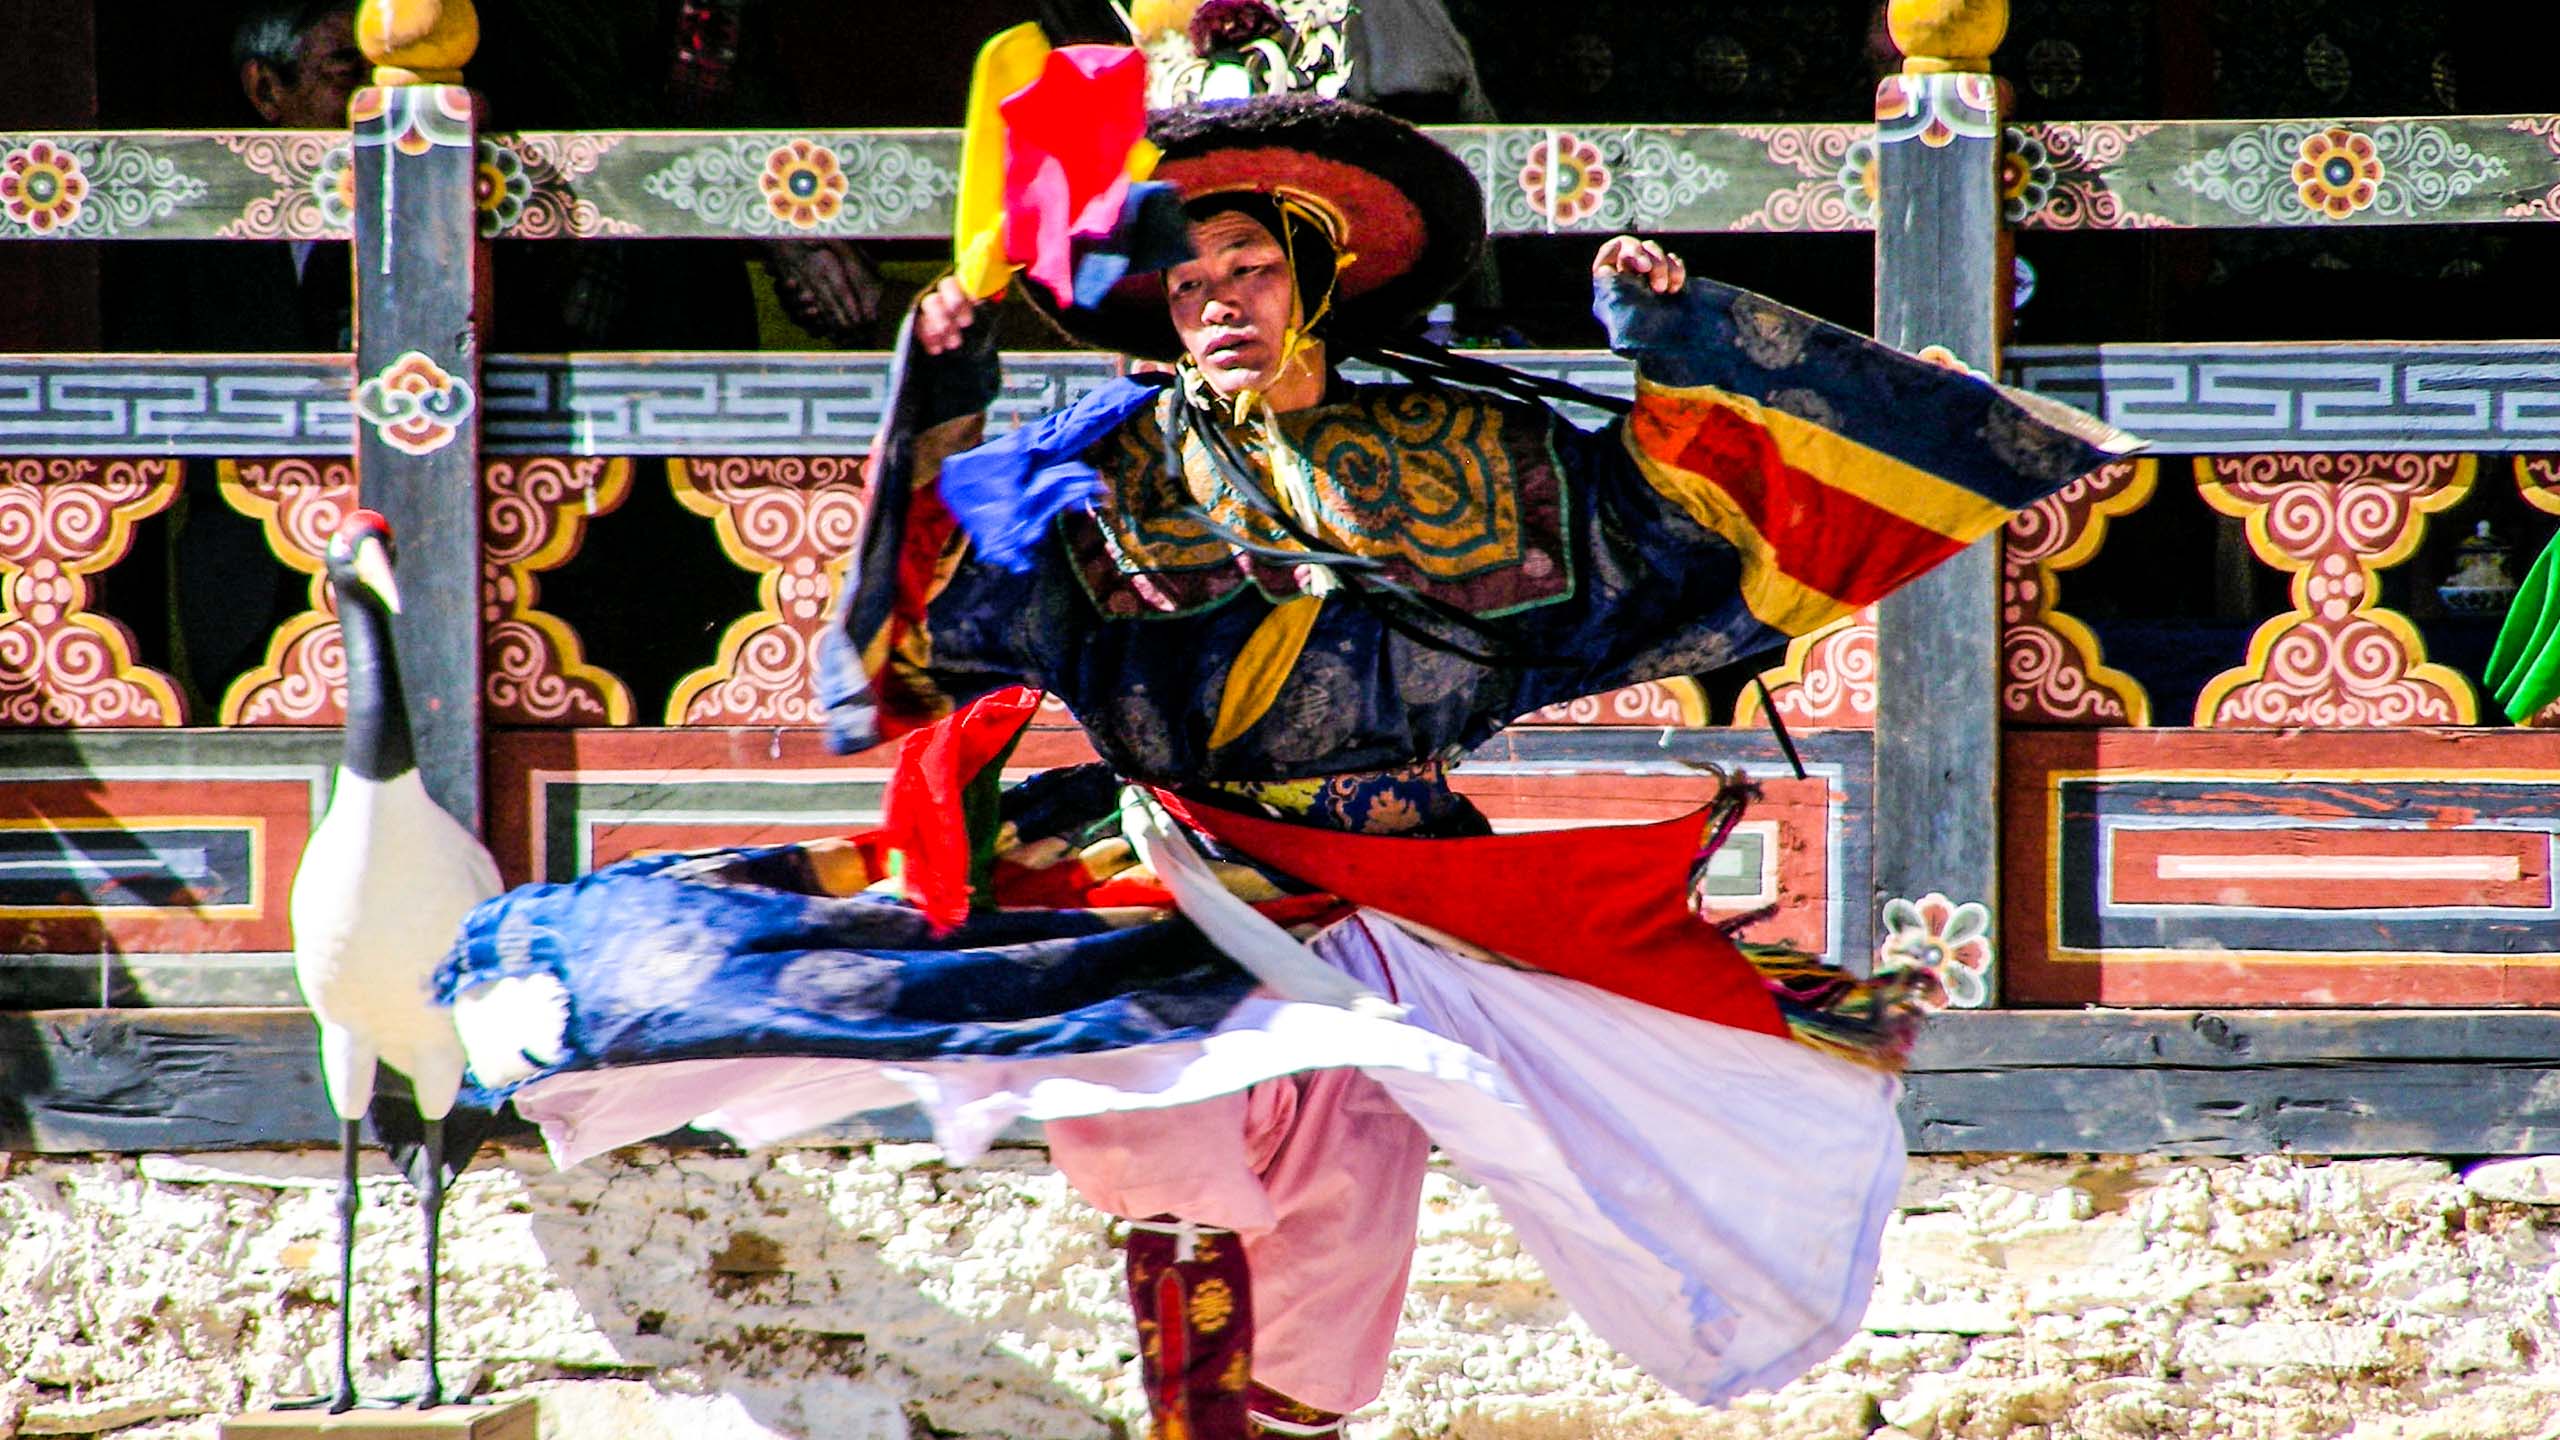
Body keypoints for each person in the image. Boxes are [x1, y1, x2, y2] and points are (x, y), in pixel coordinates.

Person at [438, 65, 2134, 1440]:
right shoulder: (1094, 463)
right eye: (1183, 281)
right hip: (1177, 862)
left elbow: (1681, 537)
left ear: (1314, 272)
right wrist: (942, 403)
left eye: (1246, 269)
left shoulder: (1468, 442)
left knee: (1352, 1204)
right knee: (1159, 1134)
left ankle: (1294, 1421)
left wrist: (1674, 340)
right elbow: (912, 649)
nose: (1216, 302)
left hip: (1401, 872)